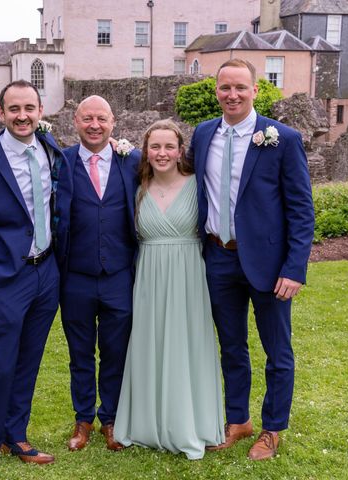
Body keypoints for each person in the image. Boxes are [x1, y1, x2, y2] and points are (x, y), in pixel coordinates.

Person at [188, 58, 314, 460]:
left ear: (255, 90)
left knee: (277, 351)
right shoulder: (203, 134)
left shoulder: (283, 139)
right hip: (218, 258)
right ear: (216, 91)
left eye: (240, 87)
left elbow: (301, 209)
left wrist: (294, 268)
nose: (232, 94)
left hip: (271, 265)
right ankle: (238, 419)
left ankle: (272, 428)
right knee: (231, 347)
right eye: (225, 87)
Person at [0, 79, 71, 479]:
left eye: (30, 108)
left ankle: (16, 435)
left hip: (46, 273)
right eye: (14, 109)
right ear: (0, 113)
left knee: (29, 360)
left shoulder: (51, 150)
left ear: (40, 112)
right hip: (5, 278)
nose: (23, 116)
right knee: (0, 363)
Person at [113, 119, 225, 459]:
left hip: (188, 273)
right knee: (150, 342)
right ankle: (146, 422)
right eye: (155, 146)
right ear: (145, 151)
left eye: (169, 146)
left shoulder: (199, 185)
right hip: (149, 274)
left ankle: (191, 422)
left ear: (180, 151)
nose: (162, 153)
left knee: (187, 344)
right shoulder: (136, 187)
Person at [57, 95, 141, 451]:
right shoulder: (58, 162)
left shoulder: (133, 160)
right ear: (75, 121)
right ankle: (82, 420)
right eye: (87, 118)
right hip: (74, 276)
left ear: (113, 121)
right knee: (80, 353)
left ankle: (111, 418)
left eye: (101, 119)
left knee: (115, 350)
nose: (95, 125)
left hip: (119, 275)